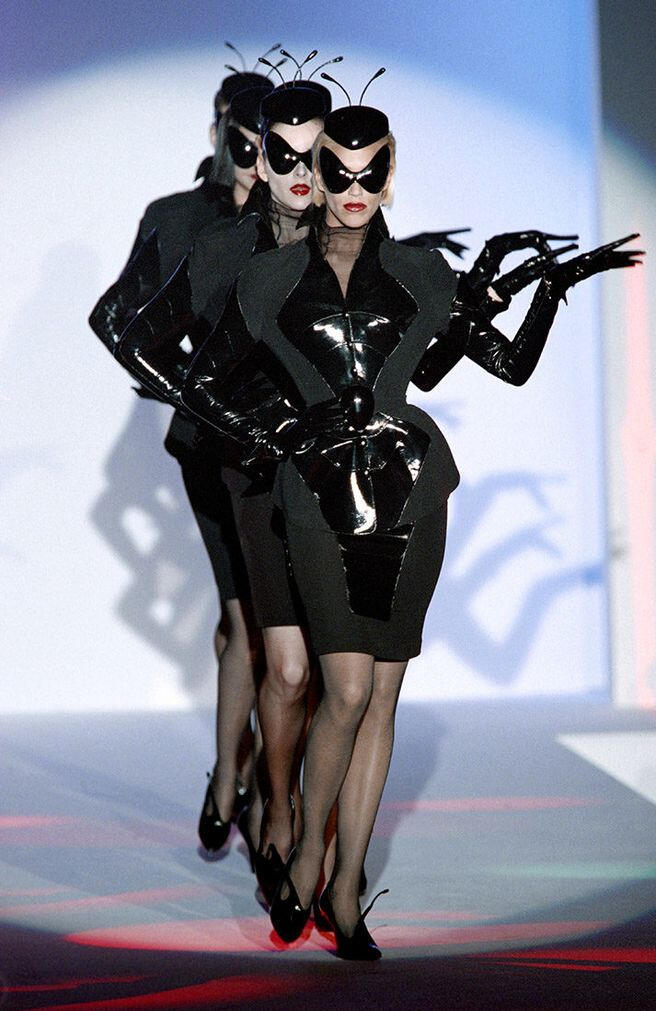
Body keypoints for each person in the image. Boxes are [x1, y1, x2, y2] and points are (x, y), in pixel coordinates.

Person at [180, 90, 642, 958]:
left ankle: (346, 885)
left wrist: (548, 291)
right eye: (339, 171)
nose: (354, 188)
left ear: (391, 176)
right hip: (313, 496)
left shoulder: (424, 274)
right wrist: (277, 436)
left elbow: (498, 365)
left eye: (372, 173)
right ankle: (306, 850)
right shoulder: (267, 279)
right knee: (346, 690)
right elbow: (204, 383)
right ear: (318, 176)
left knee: (382, 695)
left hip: (413, 494)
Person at [89, 68, 275, 856]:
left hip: (287, 449)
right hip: (211, 447)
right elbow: (119, 317)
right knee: (247, 622)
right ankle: (236, 780)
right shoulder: (176, 219)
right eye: (243, 134)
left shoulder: (293, 218)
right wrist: (182, 386)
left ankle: (257, 791)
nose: (257, 152)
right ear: (219, 133)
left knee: (277, 633)